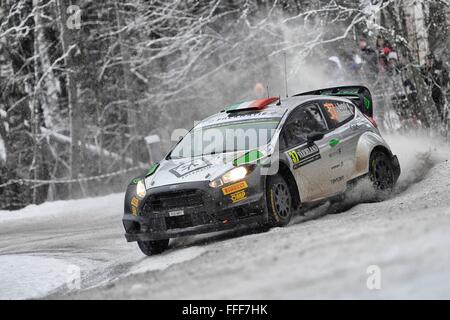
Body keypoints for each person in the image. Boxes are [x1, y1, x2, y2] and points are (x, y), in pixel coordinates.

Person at [421, 53, 449, 121]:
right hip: (432, 94)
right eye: (428, 60)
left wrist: (444, 85)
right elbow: (424, 81)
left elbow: (445, 76)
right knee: (437, 110)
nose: (430, 62)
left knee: (443, 106)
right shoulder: (424, 69)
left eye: (431, 60)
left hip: (441, 90)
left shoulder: (438, 66)